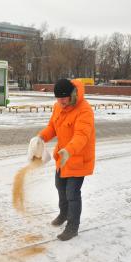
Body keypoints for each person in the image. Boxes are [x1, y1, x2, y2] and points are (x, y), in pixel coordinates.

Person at [35, 78, 95, 241]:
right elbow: (52, 127)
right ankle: (64, 214)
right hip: (62, 156)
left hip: (77, 157)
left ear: (72, 95)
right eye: (57, 98)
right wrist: (41, 137)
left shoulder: (84, 110)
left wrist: (69, 150)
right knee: (59, 185)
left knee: (72, 193)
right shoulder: (58, 106)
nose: (60, 102)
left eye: (63, 98)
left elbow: (82, 136)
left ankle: (72, 227)